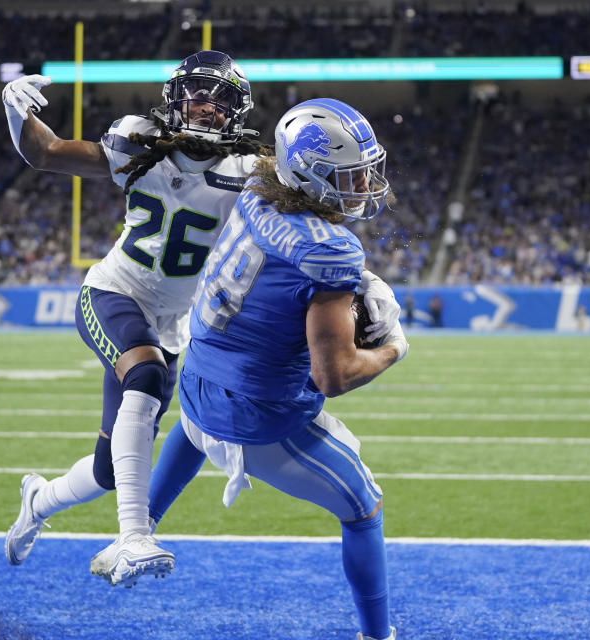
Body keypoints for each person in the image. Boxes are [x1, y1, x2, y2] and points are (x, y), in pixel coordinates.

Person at [1, 50, 274, 586]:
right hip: (114, 292)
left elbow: (306, 219)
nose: (206, 107)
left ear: (237, 114)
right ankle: (133, 538)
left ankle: (38, 500)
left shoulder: (251, 175)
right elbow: (47, 152)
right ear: (175, 99)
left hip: (174, 322)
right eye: (197, 94)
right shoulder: (139, 145)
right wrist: (17, 112)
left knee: (108, 470)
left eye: (220, 102)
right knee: (145, 377)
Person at [138, 99, 407, 640]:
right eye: (349, 175)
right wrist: (394, 348)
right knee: (364, 507)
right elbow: (336, 377)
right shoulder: (330, 252)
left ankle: (137, 527)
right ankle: (377, 637)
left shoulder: (258, 188)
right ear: (311, 174)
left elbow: (285, 265)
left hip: (197, 381)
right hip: (254, 418)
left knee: (191, 426)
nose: (363, 185)